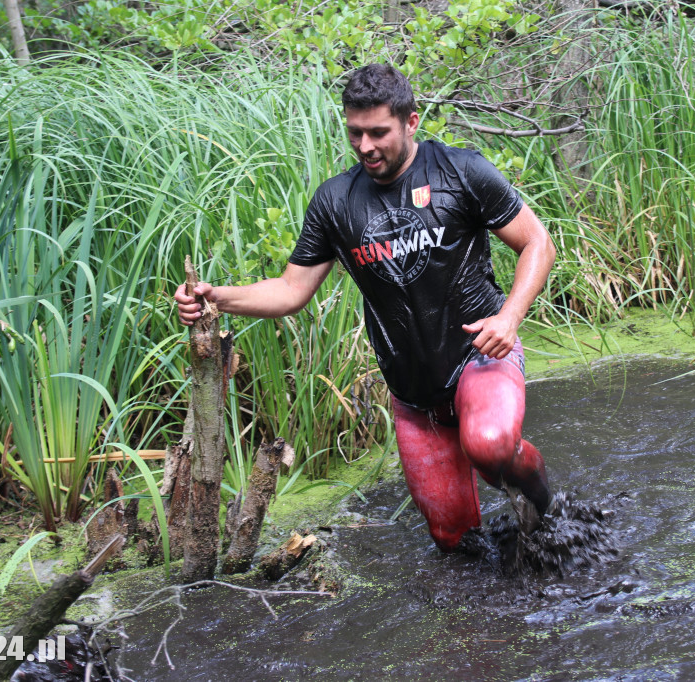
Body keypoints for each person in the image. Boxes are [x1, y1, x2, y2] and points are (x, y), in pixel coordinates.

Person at [175, 63, 556, 553]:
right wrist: (217, 297)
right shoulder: (336, 202)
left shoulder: (460, 171)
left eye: (379, 133)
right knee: (452, 538)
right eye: (355, 133)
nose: (365, 146)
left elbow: (538, 243)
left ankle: (549, 515)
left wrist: (510, 317)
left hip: (480, 357)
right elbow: (292, 290)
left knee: (489, 443)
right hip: (414, 394)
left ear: (411, 122)